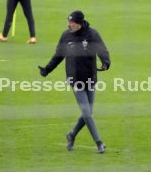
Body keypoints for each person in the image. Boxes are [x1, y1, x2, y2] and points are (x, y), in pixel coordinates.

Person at [38, 10, 111, 153]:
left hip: (90, 78)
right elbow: (58, 56)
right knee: (86, 112)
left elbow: (102, 50)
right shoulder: (66, 36)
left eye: (71, 22)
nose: (68, 24)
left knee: (88, 112)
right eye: (68, 21)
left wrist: (106, 62)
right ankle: (99, 143)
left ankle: (71, 135)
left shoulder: (92, 34)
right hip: (75, 80)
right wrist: (47, 69)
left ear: (79, 24)